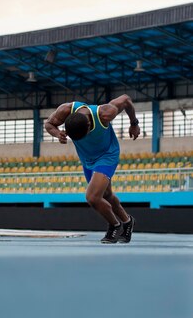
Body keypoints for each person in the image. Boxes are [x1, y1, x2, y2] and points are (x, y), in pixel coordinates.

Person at [44, 94, 140, 243]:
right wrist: (57, 134)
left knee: (93, 197)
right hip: (87, 159)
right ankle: (128, 222)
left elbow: (126, 99)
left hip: (107, 155)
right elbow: (49, 124)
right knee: (107, 195)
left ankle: (114, 225)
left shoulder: (105, 113)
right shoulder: (65, 110)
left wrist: (134, 123)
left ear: (89, 125)